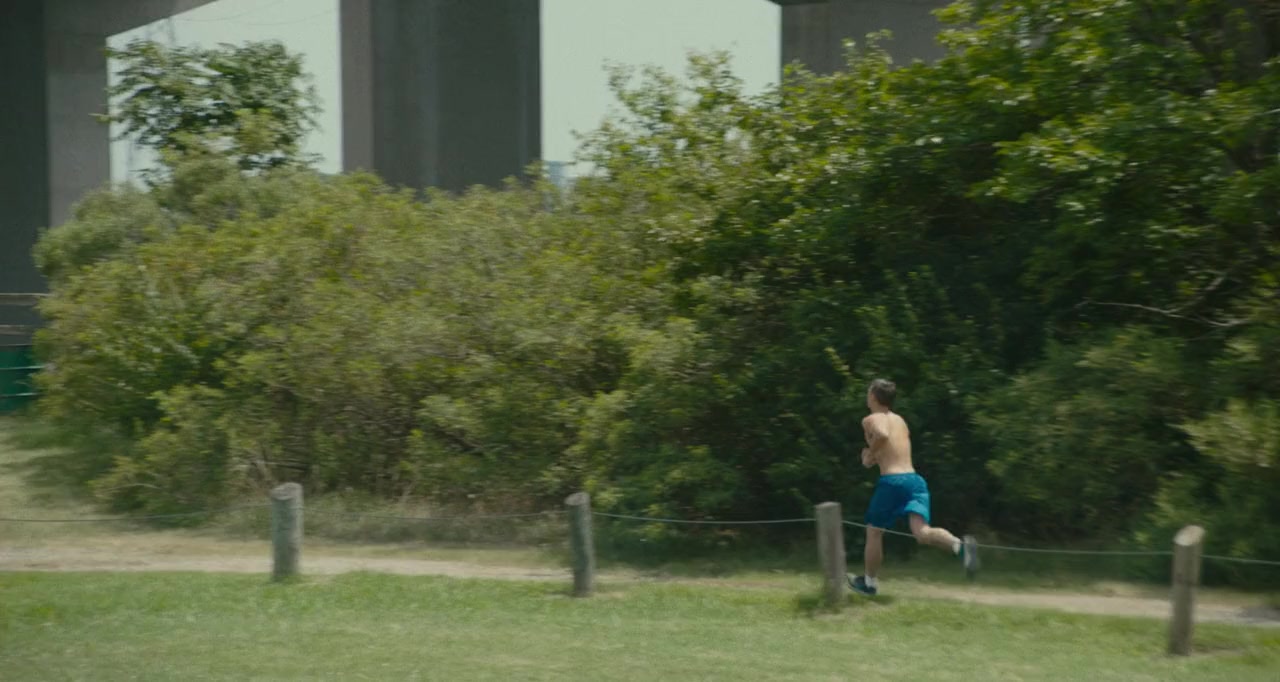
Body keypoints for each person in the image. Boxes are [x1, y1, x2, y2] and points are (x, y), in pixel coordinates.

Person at [848, 379, 978, 596]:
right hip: (914, 480)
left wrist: (870, 453)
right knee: (922, 532)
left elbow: (882, 436)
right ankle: (960, 546)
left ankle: (869, 584)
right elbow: (890, 450)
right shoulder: (900, 420)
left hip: (892, 482)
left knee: (874, 531)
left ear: (873, 396)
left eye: (868, 392)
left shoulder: (871, 418)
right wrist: (871, 457)